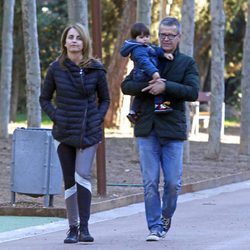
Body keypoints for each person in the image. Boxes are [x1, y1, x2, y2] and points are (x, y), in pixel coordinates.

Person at [121, 17, 199, 241]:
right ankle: (154, 226)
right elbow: (126, 86)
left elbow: (192, 91)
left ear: (178, 37)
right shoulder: (145, 55)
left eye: (170, 35)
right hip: (147, 130)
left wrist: (166, 86)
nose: (166, 39)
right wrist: (147, 88)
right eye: (162, 34)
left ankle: (166, 216)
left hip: (172, 131)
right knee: (150, 182)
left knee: (173, 183)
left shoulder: (186, 63)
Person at [39, 23, 110, 244]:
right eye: (70, 37)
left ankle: (85, 228)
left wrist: (97, 118)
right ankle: (72, 228)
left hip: (89, 132)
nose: (74, 41)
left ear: (84, 42)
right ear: (64, 42)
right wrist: (57, 116)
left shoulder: (96, 69)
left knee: (82, 175)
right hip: (63, 132)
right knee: (69, 180)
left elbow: (105, 98)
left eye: (78, 38)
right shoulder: (55, 68)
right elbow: (44, 98)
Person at [120, 22, 174, 124]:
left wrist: (164, 54)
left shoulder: (147, 46)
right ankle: (159, 105)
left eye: (147, 36)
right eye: (141, 37)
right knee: (158, 86)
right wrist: (154, 73)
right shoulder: (138, 50)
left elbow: (156, 50)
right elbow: (145, 62)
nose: (145, 39)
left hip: (144, 73)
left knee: (141, 94)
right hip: (143, 73)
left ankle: (133, 111)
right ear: (135, 39)